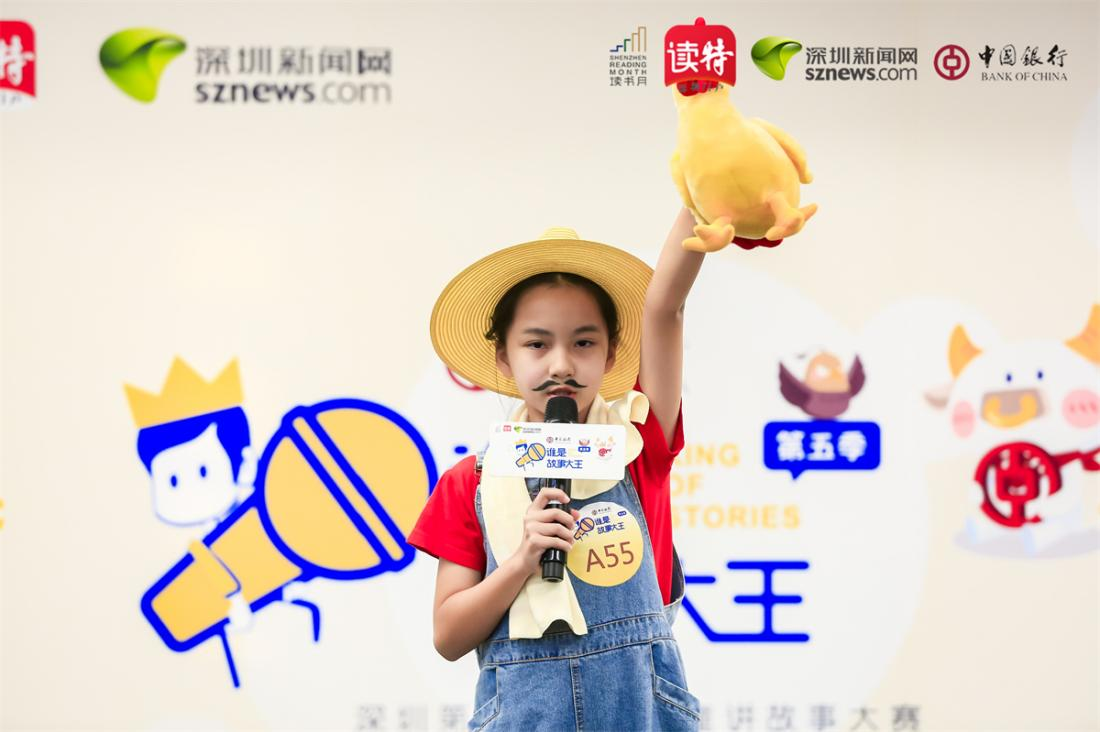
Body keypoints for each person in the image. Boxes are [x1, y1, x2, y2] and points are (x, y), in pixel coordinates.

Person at [409, 209, 705, 730]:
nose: (561, 365)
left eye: (584, 342)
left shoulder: (639, 448)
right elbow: (448, 636)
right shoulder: (468, 482)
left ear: (612, 354)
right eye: (537, 344)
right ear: (504, 357)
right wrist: (522, 561)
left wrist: (700, 206)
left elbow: (666, 309)